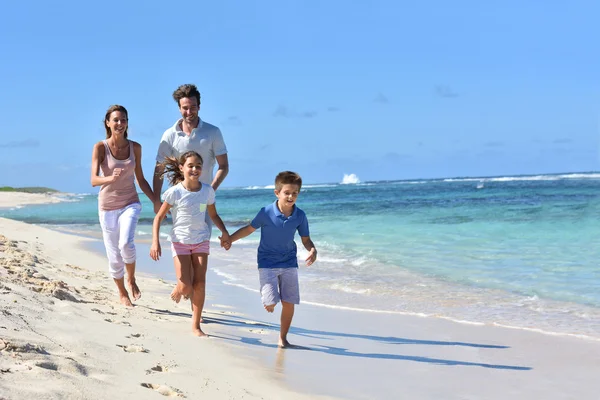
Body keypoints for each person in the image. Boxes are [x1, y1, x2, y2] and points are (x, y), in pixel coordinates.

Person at [227, 171, 317, 348]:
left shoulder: (300, 216)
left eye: (295, 193)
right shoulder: (266, 212)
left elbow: (306, 239)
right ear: (277, 193)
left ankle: (282, 339)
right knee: (270, 302)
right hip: (267, 262)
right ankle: (268, 299)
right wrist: (230, 239)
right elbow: (248, 229)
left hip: (289, 262)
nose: (291, 196)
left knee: (289, 303)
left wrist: (312, 249)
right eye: (287, 193)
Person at [150, 151, 231, 337]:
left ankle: (196, 325)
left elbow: (213, 215)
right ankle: (180, 287)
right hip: (180, 242)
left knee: (200, 283)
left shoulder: (207, 191)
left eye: (198, 166)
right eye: (191, 166)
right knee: (186, 287)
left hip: (201, 240)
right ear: (181, 168)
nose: (195, 169)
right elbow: (159, 218)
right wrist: (155, 242)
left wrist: (225, 232)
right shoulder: (174, 192)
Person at [91, 105, 155, 307]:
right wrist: (109, 178)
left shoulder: (135, 147)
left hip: (130, 202)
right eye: (116, 120)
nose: (120, 123)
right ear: (108, 123)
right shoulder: (100, 147)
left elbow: (141, 179)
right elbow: (93, 180)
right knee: (114, 255)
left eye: (124, 120)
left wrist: (156, 201)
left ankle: (131, 278)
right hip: (107, 206)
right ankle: (122, 293)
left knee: (126, 243)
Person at [153, 83, 229, 217]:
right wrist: (156, 200)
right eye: (185, 108)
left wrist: (209, 191)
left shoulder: (213, 132)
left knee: (203, 237)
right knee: (180, 238)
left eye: (193, 107)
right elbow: (159, 169)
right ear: (179, 108)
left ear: (199, 106)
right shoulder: (169, 135)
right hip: (179, 201)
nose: (189, 112)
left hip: (204, 202)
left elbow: (223, 166)